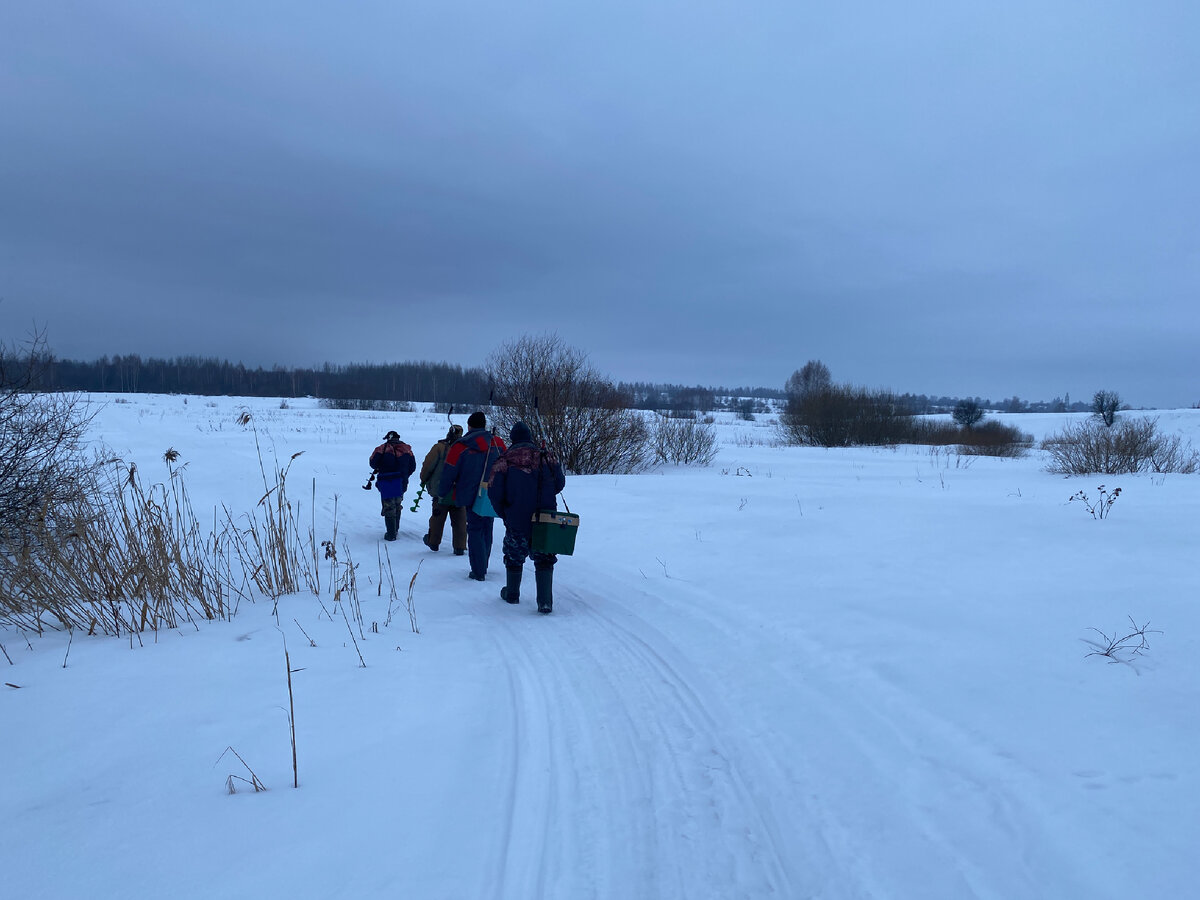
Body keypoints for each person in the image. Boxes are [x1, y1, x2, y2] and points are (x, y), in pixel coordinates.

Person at [488, 420, 566, 613]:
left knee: (514, 555)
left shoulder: (504, 461)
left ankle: (512, 594)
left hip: (516, 517)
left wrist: (505, 513)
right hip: (545, 518)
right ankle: (545, 601)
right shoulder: (547, 457)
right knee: (544, 557)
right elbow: (560, 483)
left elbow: (494, 493)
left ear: (512, 439)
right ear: (530, 438)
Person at [437, 411, 507, 580]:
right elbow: (507, 465)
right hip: (492, 491)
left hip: (469, 492)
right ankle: (483, 564)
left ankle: (478, 570)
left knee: (474, 528)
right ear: (484, 425)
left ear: (469, 426)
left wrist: (442, 491)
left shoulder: (460, 446)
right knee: (487, 526)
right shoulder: (497, 443)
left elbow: (449, 471)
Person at [419, 423, 467, 556]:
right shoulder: (466, 449)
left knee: (437, 517)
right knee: (460, 519)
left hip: (441, 490)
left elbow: (428, 466)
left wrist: (424, 479)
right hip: (460, 491)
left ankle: (433, 542)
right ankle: (460, 546)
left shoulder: (439, 448)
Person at [369, 430, 416, 541]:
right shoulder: (407, 449)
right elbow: (412, 467)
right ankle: (395, 529)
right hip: (401, 482)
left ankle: (391, 534)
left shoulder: (381, 449)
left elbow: (372, 463)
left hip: (387, 481)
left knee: (389, 506)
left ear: (388, 438)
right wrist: (404, 475)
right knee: (397, 504)